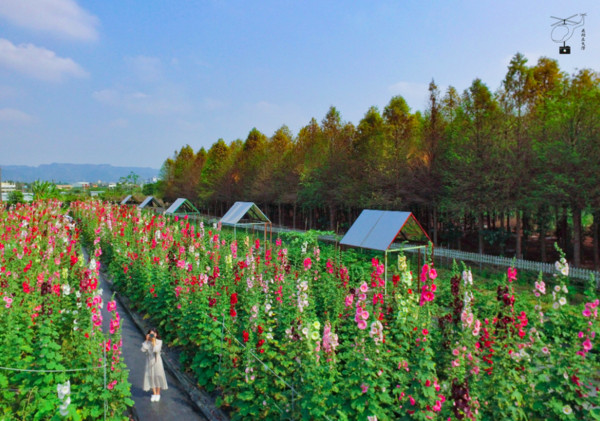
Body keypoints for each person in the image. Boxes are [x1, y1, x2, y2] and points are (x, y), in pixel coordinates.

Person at [141, 327, 168, 401]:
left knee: (158, 377)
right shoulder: (147, 342)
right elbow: (143, 350)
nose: (152, 335)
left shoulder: (159, 341)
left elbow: (156, 350)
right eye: (150, 334)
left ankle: (158, 393)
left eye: (153, 334)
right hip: (149, 361)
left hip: (157, 362)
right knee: (151, 377)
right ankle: (154, 393)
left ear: (156, 334)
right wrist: (146, 340)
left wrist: (153, 342)